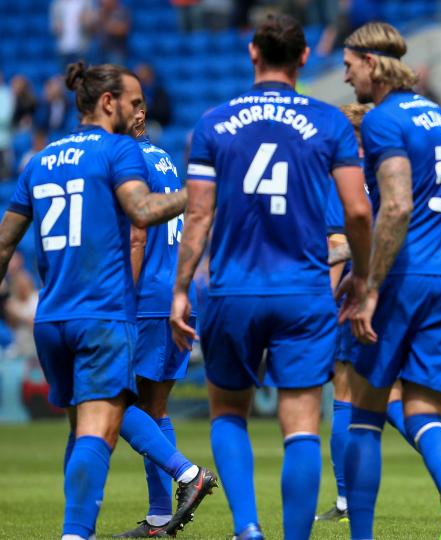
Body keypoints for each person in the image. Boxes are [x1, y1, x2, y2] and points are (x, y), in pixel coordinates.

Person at [170, 15, 373, 540]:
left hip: (232, 289)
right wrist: (364, 277)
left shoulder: (213, 123)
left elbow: (197, 215)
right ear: (305, 57)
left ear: (252, 51)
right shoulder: (328, 122)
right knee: (301, 423)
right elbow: (357, 210)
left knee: (228, 411)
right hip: (304, 290)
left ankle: (247, 527)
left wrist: (179, 287)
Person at [0, 60, 190, 540]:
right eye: (132, 102)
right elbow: (142, 217)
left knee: (82, 425)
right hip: (107, 310)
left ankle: (149, 509)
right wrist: (202, 193)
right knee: (104, 424)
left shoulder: (40, 158)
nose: (138, 112)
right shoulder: (124, 151)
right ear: (108, 102)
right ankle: (94, 525)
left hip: (53, 315)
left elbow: (5, 243)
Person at [341, 21, 441, 540]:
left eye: (351, 67)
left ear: (372, 64)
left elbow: (395, 206)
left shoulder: (382, 120)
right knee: (424, 414)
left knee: (365, 415)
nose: (348, 78)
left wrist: (369, 287)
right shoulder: (437, 115)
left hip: (404, 276)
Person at [113, 103, 215, 538]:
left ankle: (187, 474)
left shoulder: (127, 160)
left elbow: (137, 233)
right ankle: (160, 518)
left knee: (112, 403)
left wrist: (122, 298)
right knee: (154, 409)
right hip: (176, 292)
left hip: (147, 296)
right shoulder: (163, 158)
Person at [316, 102, 416, 525]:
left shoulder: (347, 178)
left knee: (346, 396)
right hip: (394, 288)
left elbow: (337, 240)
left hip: (355, 292)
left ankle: (344, 499)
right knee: (385, 394)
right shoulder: (390, 171)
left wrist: (326, 299)